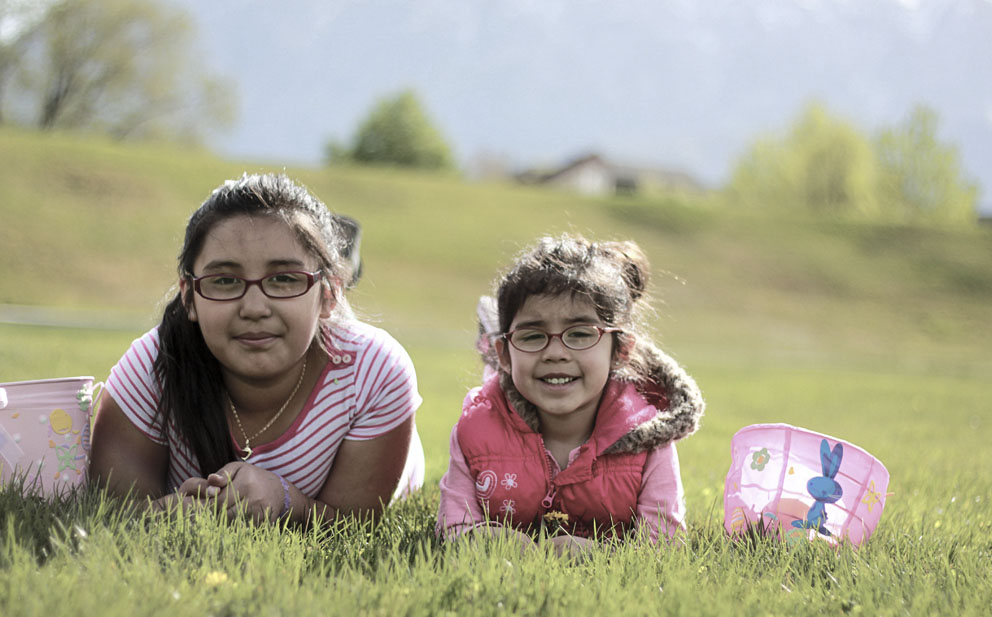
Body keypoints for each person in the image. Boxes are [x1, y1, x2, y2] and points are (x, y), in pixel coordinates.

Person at [89, 173, 424, 524]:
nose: (253, 308)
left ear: (329, 294)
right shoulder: (153, 365)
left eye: (284, 278)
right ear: (188, 297)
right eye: (224, 280)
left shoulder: (372, 370)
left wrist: (285, 500)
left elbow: (352, 524)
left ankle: (338, 267)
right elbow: (110, 511)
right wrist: (167, 513)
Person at [437, 234, 704, 555]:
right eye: (532, 336)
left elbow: (665, 547)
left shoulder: (647, 437)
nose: (555, 353)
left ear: (621, 350)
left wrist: (596, 555)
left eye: (579, 334)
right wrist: (486, 540)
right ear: (504, 355)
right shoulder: (476, 427)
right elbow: (453, 528)